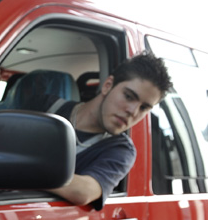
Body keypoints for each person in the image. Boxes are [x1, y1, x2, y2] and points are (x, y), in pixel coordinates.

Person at [23, 52, 172, 209]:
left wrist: (21, 168)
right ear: (107, 85)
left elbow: (84, 192)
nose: (133, 111)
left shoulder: (120, 150)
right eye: (128, 96)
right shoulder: (45, 106)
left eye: (144, 108)